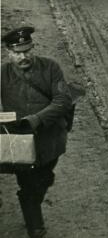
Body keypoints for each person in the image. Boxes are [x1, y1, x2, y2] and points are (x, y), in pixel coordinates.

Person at [1, 26, 73, 238]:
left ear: (33, 48)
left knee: (44, 178)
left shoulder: (50, 68)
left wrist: (36, 119)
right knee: (28, 183)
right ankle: (35, 226)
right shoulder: (2, 74)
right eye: (18, 53)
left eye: (27, 51)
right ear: (8, 53)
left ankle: (31, 198)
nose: (23, 57)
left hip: (50, 140)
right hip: (21, 142)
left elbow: (63, 100)